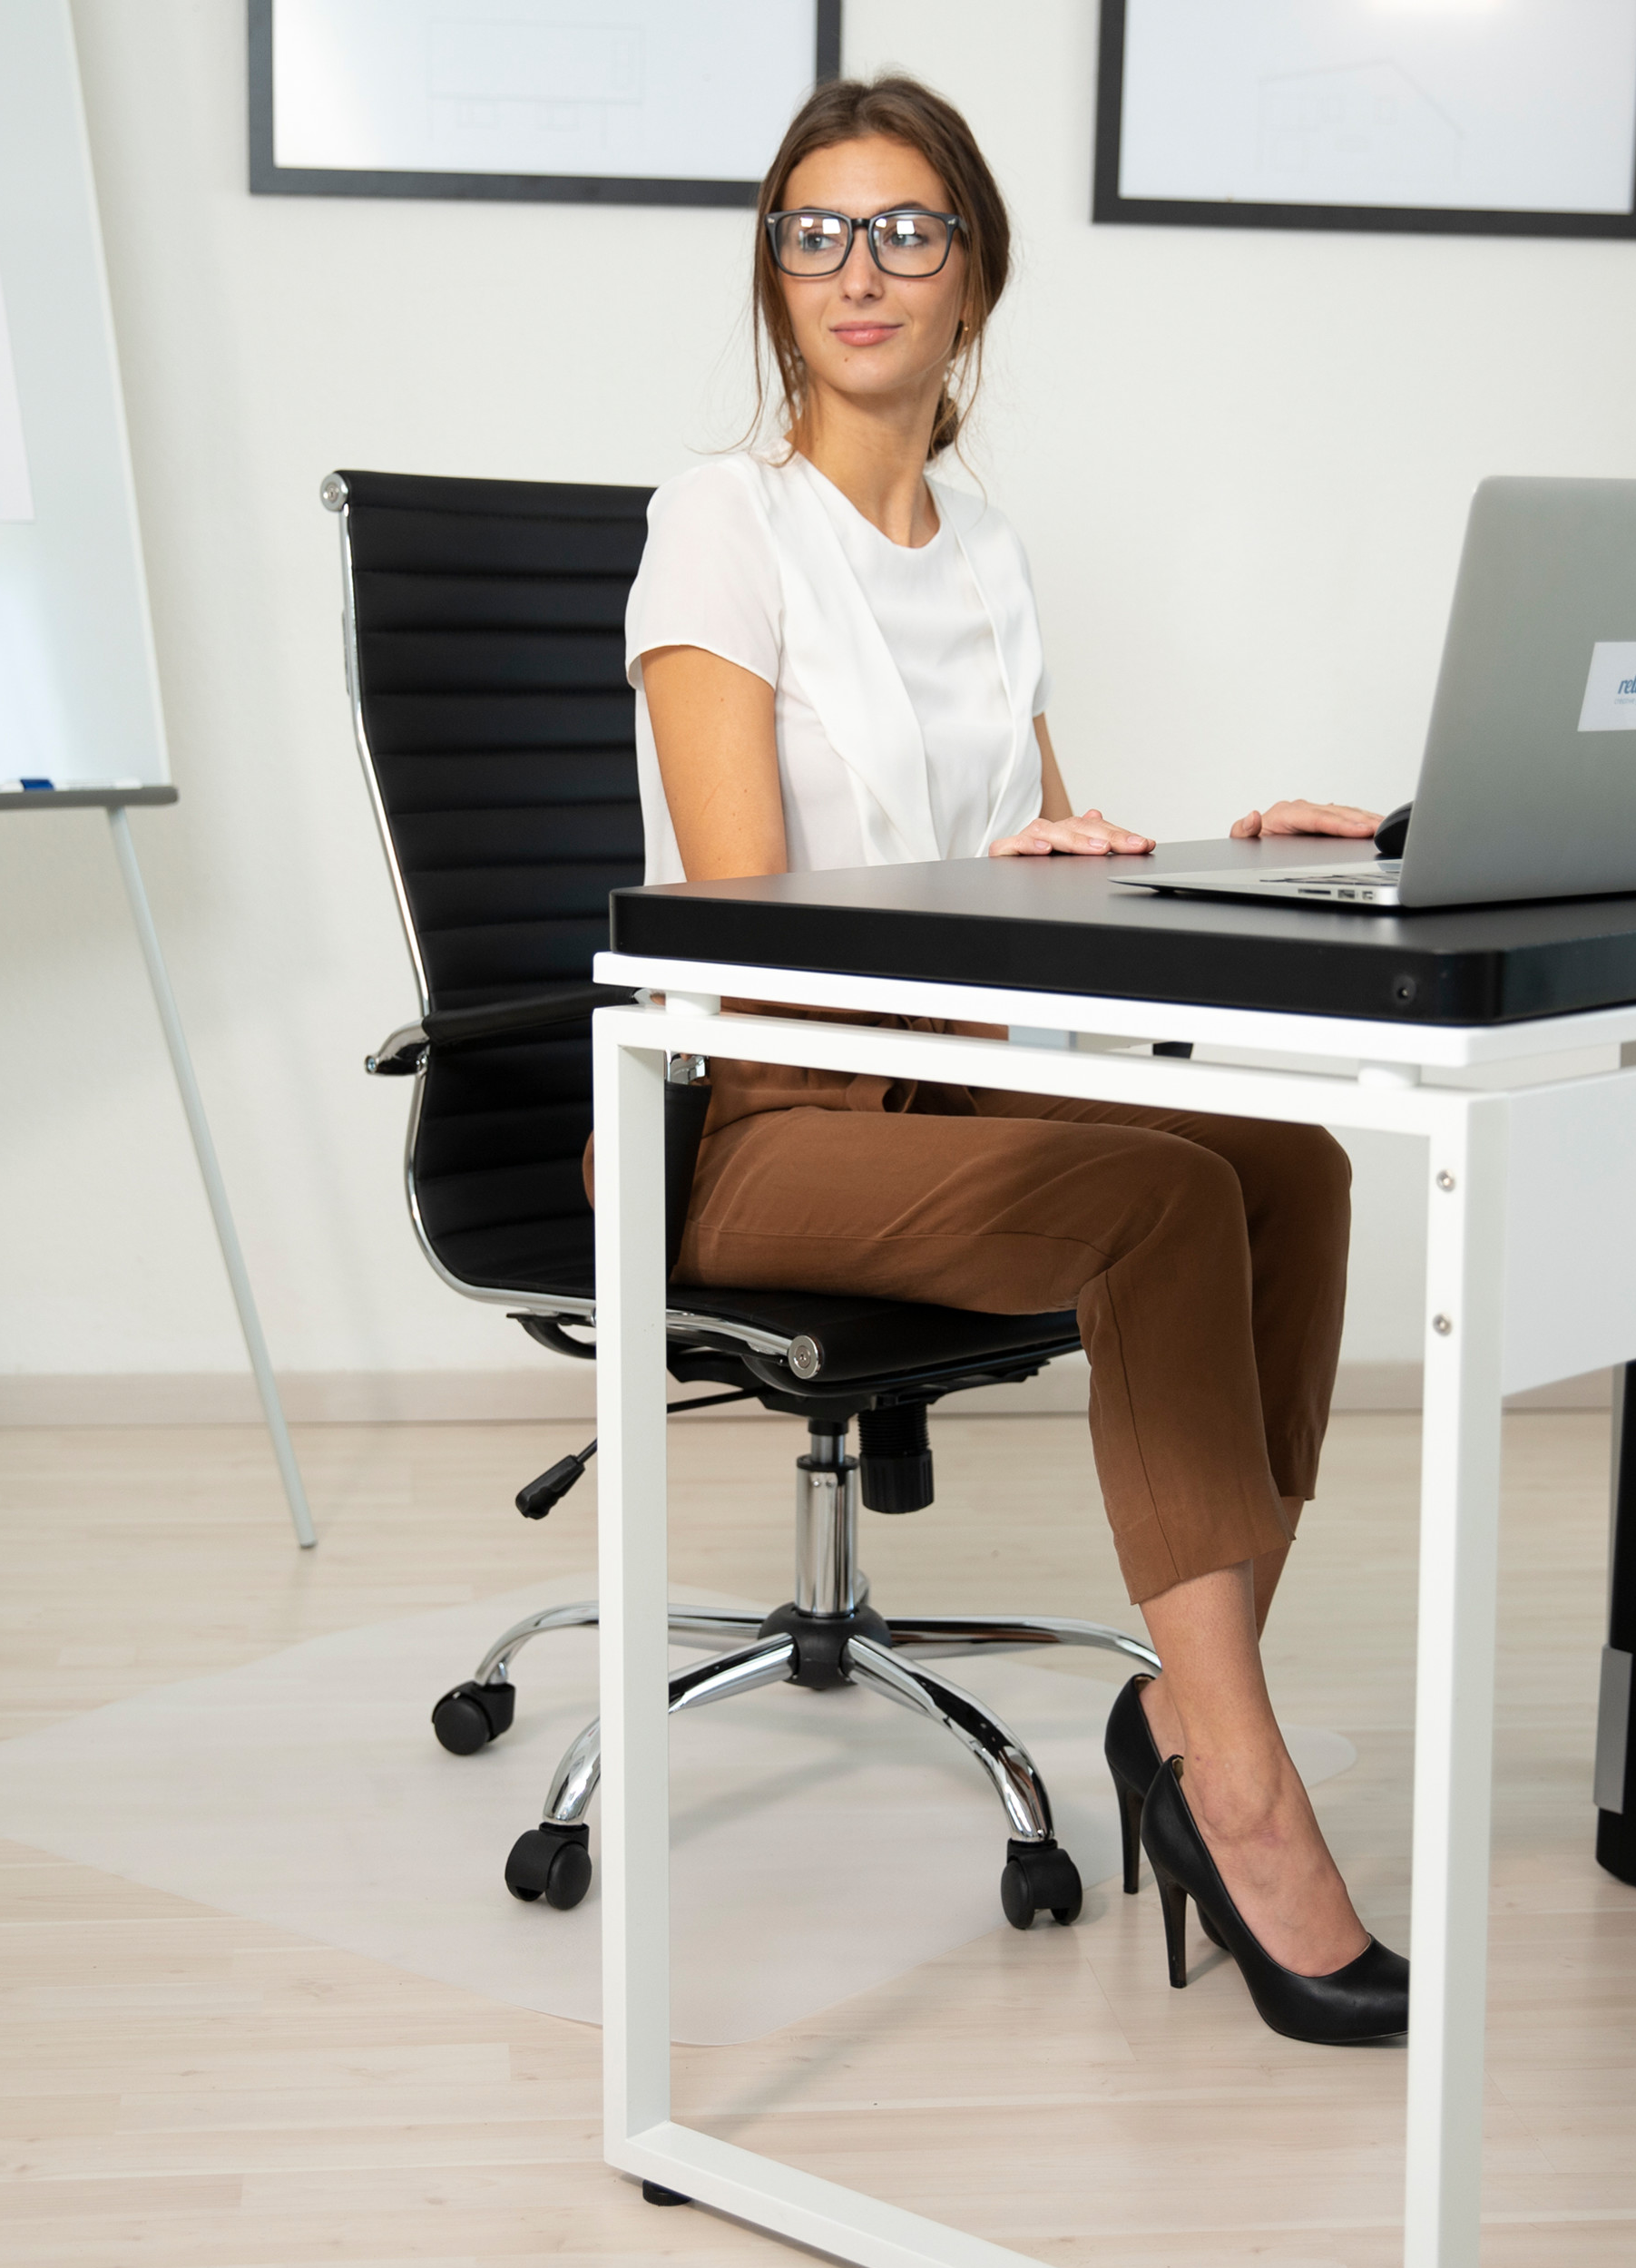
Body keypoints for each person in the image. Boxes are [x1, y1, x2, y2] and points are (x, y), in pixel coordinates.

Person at [623, 73, 1405, 2043]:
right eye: (814, 232)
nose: (857, 270)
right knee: (1154, 1201)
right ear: (772, 277)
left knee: (1288, 1163)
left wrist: (1242, 853)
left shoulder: (981, 547)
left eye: (905, 229)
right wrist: (1000, 879)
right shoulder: (721, 526)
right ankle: (1244, 1791)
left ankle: (1190, 1711)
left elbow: (1037, 868)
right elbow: (746, 919)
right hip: (771, 1113)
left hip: (963, 1072)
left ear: (971, 274)